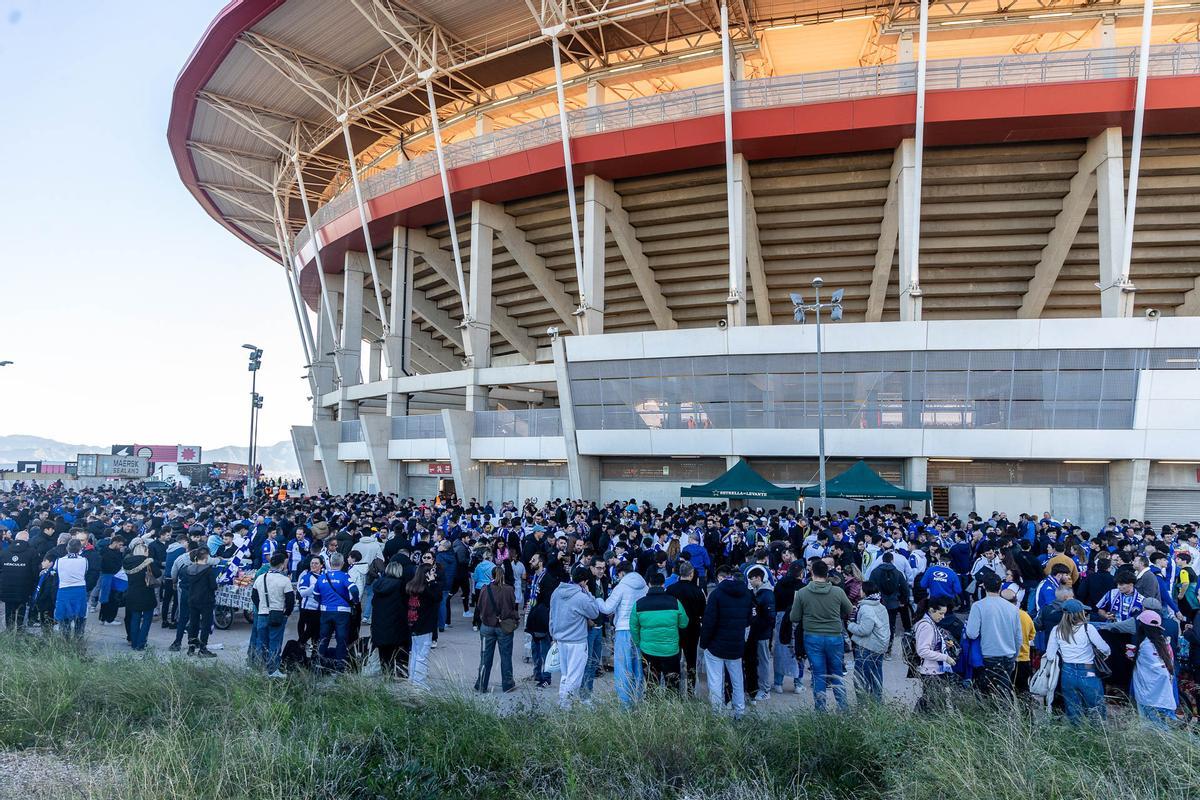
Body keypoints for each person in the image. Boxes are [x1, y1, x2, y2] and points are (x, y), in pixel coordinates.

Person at [791, 558, 853, 712]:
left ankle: (820, 711)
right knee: (837, 673)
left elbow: (794, 617)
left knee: (818, 674)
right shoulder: (837, 592)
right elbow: (849, 609)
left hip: (812, 636)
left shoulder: (802, 593)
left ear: (811, 572)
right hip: (834, 635)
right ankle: (843, 709)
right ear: (827, 573)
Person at [1043, 599, 1111, 724]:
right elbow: (1105, 649)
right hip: (1088, 671)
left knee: (1073, 709)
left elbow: (1050, 655)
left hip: (1067, 672)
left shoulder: (1057, 630)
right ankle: (1098, 736)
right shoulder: (1087, 628)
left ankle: (1077, 735)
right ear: (1080, 613)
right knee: (1096, 708)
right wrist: (1104, 655)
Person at [700, 565, 753, 718]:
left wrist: (704, 643)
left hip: (716, 644)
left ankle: (717, 712)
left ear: (720, 578)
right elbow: (748, 620)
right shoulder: (746, 594)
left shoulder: (716, 594)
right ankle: (739, 711)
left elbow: (709, 622)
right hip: (736, 643)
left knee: (715, 679)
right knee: (737, 679)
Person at [550, 565, 602, 709]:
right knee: (575, 676)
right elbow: (594, 613)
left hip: (560, 638)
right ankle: (566, 706)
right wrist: (589, 594)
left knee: (565, 675)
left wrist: (553, 634)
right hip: (577, 640)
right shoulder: (581, 597)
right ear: (584, 582)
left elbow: (552, 615)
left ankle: (562, 702)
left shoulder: (557, 592)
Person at [964, 571, 1022, 700]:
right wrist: (1014, 655)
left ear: (983, 586)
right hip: (1008, 655)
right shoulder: (1013, 608)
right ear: (1000, 587)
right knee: (1003, 693)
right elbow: (1018, 637)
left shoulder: (978, 606)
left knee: (986, 696)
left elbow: (972, 633)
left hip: (988, 656)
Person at [629, 570, 688, 695]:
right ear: (663, 585)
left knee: (651, 685)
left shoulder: (638, 604)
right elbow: (684, 623)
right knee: (672, 687)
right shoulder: (675, 602)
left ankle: (652, 711)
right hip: (671, 651)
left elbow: (633, 627)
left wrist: (639, 643)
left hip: (648, 651)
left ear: (649, 584)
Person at [599, 561, 648, 707]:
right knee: (638, 666)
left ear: (621, 573)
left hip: (623, 629)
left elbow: (607, 608)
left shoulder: (621, 587)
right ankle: (638, 699)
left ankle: (625, 704)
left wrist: (598, 600)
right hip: (640, 630)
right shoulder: (644, 585)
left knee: (623, 667)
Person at [472, 567, 519, 694]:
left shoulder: (485, 589)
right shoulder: (509, 590)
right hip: (504, 626)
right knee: (506, 657)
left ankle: (481, 684)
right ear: (503, 575)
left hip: (487, 626)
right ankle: (507, 684)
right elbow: (513, 606)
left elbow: (480, 606)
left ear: (491, 576)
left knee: (485, 657)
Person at [1129, 609, 1177, 729]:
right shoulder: (1164, 642)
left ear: (1142, 626)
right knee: (1161, 725)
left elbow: (1149, 666)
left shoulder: (1145, 646)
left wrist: (1132, 656)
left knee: (1152, 726)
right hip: (1163, 691)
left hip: (1149, 693)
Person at [252, 552, 295, 677]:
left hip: (262, 614)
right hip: (277, 614)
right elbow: (290, 600)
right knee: (275, 642)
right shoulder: (284, 580)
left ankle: (260, 668)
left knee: (261, 642)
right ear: (281, 565)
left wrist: (262, 606)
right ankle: (273, 669)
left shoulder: (260, 578)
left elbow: (254, 596)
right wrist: (287, 613)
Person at [315, 553, 361, 671]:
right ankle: (341, 665)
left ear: (329, 563)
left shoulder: (322, 577)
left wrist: (323, 602)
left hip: (325, 611)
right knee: (341, 639)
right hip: (342, 612)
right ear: (342, 563)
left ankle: (318, 665)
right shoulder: (344, 576)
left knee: (324, 638)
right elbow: (354, 590)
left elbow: (315, 595)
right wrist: (355, 601)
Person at [846, 579, 889, 701]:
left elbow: (865, 630)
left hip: (867, 647)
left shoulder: (866, 608)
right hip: (879, 646)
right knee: (876, 677)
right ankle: (877, 705)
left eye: (860, 589)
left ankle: (864, 706)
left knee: (861, 678)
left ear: (864, 592)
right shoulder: (880, 605)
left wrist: (850, 625)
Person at [914, 596, 957, 711]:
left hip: (932, 669)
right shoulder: (927, 626)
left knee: (930, 701)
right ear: (931, 610)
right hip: (931, 671)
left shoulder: (928, 622)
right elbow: (922, 650)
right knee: (932, 703)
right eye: (941, 613)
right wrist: (945, 657)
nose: (943, 617)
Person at [370, 561, 412, 679]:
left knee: (383, 653)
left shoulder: (378, 585)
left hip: (379, 624)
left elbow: (374, 603)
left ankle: (386, 674)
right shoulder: (401, 586)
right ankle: (399, 674)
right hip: (397, 624)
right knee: (398, 651)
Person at [405, 555, 441, 688]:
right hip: (424, 624)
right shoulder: (427, 589)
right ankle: (419, 683)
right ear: (426, 574)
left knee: (415, 653)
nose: (434, 574)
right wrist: (433, 582)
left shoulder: (411, 587)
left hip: (413, 623)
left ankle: (413, 678)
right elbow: (437, 597)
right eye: (432, 572)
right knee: (422, 654)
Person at [122, 541, 160, 651]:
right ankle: (141, 643)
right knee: (147, 619)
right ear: (144, 551)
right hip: (146, 593)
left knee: (135, 618)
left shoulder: (127, 562)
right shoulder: (148, 562)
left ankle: (134, 642)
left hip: (132, 593)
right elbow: (158, 573)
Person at [746, 566, 775, 702]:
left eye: (751, 579)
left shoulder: (766, 594)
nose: (750, 582)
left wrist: (758, 627)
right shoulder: (759, 592)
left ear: (758, 578)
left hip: (762, 634)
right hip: (758, 632)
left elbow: (770, 617)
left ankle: (765, 689)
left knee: (763, 661)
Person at [184, 547, 219, 658]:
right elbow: (213, 586)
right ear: (206, 557)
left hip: (192, 599)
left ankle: (191, 647)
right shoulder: (208, 570)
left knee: (193, 623)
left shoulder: (189, 569)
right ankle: (203, 648)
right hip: (206, 600)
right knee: (205, 624)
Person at [0, 530, 37, 630]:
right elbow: (35, 572)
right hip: (24, 588)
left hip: (6, 587)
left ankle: (9, 630)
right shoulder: (32, 552)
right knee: (22, 608)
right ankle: (20, 630)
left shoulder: (4, 552)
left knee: (8, 609)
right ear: (27, 540)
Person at [53, 539, 89, 640]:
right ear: (80, 549)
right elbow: (85, 572)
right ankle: (78, 639)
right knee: (80, 617)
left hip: (64, 590)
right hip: (79, 590)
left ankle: (65, 640)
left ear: (67, 548)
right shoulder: (84, 560)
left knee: (64, 619)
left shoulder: (59, 561)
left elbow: (56, 572)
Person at [295, 556, 324, 656]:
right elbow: (302, 593)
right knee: (308, 633)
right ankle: (296, 652)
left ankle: (314, 657)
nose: (313, 565)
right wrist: (313, 587)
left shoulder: (323, 576)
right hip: (308, 609)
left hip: (319, 609)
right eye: (312, 563)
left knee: (316, 635)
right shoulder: (307, 576)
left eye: (316, 563)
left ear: (321, 565)